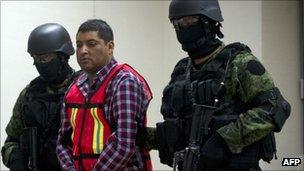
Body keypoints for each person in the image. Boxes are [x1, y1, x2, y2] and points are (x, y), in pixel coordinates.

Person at [152, 0, 291, 170]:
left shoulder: (238, 63)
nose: (182, 28)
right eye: (177, 23)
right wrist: (135, 136)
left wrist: (224, 141)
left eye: (189, 21)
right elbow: (174, 128)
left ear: (209, 22)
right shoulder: (181, 70)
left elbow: (275, 107)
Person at [56, 19, 153, 171]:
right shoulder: (74, 88)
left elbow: (123, 146)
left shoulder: (124, 82)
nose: (83, 50)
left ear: (110, 47)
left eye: (91, 44)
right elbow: (63, 142)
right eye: (79, 45)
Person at [1, 23, 76, 171]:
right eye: (35, 58)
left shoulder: (82, 90)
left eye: (45, 58)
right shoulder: (28, 95)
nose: (39, 64)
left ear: (62, 57)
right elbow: (11, 141)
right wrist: (15, 158)